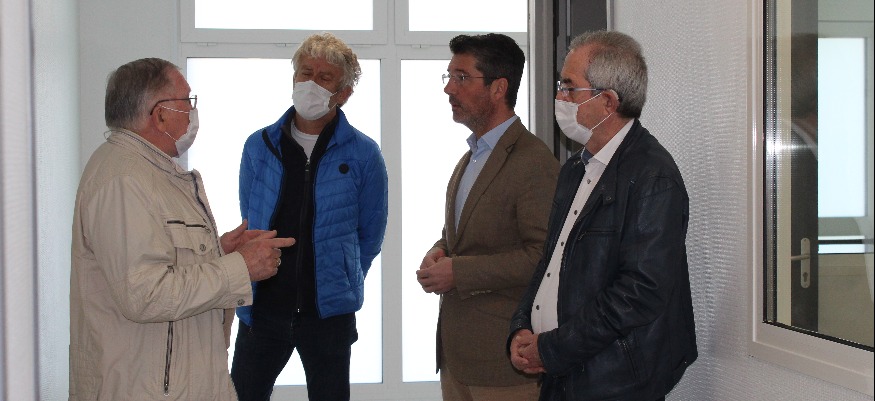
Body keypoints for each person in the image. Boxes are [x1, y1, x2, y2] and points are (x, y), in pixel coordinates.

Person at [70, 57, 294, 400]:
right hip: (142, 389)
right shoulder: (123, 180)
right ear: (159, 114)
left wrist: (220, 253)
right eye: (186, 101)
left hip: (172, 382)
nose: (192, 112)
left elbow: (160, 262)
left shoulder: (151, 172)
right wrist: (240, 267)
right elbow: (145, 294)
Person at [508, 30, 698, 401]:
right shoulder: (574, 170)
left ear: (608, 101)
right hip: (564, 374)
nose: (559, 98)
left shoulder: (652, 176)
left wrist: (553, 348)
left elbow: (640, 292)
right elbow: (551, 261)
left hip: (615, 382)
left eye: (569, 88)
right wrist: (521, 325)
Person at [231, 32, 389, 401]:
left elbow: (370, 234)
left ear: (343, 93)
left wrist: (341, 275)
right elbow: (249, 217)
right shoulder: (259, 146)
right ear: (293, 78)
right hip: (262, 307)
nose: (311, 83)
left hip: (328, 314)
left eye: (324, 77)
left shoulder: (363, 154)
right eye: (305, 73)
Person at [416, 33, 559, 401]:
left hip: (504, 365)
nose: (449, 88)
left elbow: (543, 257)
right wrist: (438, 250)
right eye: (449, 76)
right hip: (457, 360)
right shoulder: (471, 157)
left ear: (499, 88)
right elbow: (460, 234)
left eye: (462, 77)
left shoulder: (533, 161)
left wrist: (458, 272)